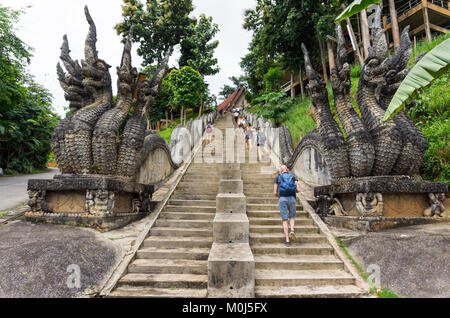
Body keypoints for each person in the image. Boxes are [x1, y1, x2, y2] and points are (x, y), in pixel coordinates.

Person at [273, 165, 301, 246]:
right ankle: (292, 230)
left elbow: (274, 192)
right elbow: (298, 190)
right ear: (287, 170)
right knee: (292, 216)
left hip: (282, 199)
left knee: (285, 219)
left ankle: (287, 240)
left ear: (280, 170)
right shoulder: (293, 177)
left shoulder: (277, 177)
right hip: (292, 198)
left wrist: (279, 196)